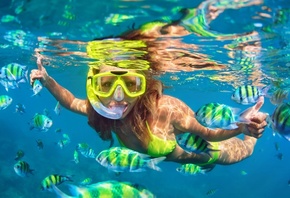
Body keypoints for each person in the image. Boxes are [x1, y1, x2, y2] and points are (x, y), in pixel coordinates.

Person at [30, 54, 267, 168]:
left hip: (202, 154)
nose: (118, 97)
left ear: (142, 86)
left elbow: (209, 133)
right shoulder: (102, 112)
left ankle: (253, 129)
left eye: (130, 84)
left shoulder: (167, 110)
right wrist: (47, 80)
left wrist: (241, 127)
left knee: (243, 152)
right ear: (95, 86)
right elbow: (71, 102)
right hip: (176, 159)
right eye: (107, 84)